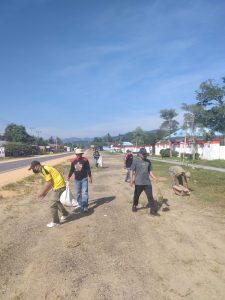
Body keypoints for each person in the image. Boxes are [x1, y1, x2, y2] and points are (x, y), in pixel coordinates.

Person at [28, 160, 70, 228]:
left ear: (38, 165)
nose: (33, 170)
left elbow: (49, 183)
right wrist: (45, 193)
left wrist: (42, 193)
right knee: (56, 202)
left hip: (59, 186)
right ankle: (65, 214)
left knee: (52, 205)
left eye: (33, 168)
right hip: (59, 185)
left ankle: (56, 222)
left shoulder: (44, 170)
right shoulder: (45, 168)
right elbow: (51, 182)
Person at [130, 148, 159, 216]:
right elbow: (131, 171)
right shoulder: (135, 161)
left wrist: (154, 177)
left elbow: (150, 171)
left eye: (145, 154)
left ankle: (153, 210)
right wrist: (131, 180)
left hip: (147, 183)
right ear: (139, 154)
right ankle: (134, 205)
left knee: (150, 197)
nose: (145, 155)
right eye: (143, 154)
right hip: (138, 183)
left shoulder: (148, 161)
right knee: (136, 196)